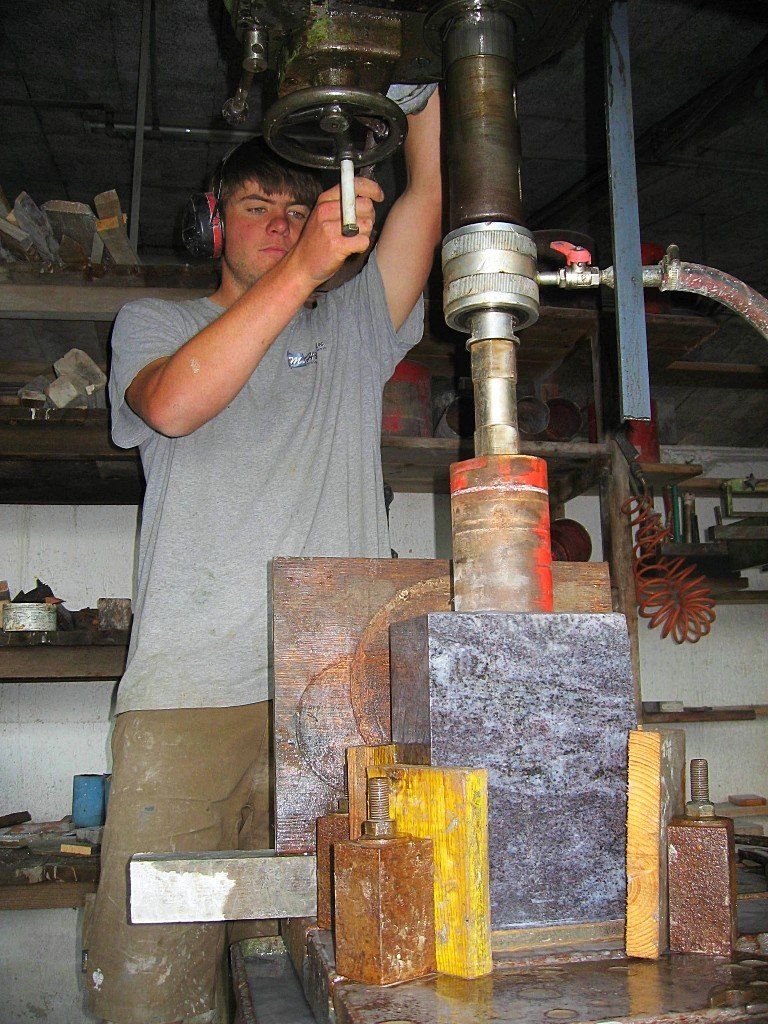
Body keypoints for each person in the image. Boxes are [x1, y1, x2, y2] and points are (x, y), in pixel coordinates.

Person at [84, 90, 442, 1024]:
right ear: (214, 222)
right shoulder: (151, 323)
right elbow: (172, 406)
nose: (281, 227)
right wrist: (309, 267)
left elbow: (431, 196)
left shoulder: (356, 325)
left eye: (298, 212)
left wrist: (432, 91)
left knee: (345, 970)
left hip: (339, 695)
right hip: (188, 697)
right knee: (153, 982)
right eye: (257, 209)